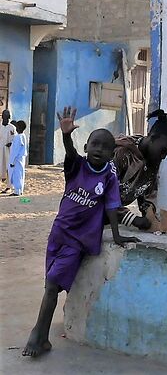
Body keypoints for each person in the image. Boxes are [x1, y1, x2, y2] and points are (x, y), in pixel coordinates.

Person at [23, 106, 139, 358]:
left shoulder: (109, 176)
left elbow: (111, 206)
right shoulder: (77, 166)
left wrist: (117, 236)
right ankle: (43, 339)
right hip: (59, 232)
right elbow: (70, 152)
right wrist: (66, 135)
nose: (99, 150)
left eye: (105, 147)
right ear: (86, 147)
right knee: (49, 284)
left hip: (78, 240)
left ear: (112, 154)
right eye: (94, 144)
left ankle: (36, 334)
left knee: (52, 285)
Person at [113, 109, 167, 230]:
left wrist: (149, 215)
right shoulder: (121, 154)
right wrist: (131, 219)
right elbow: (100, 195)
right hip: (88, 212)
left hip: (110, 218)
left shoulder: (152, 161)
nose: (163, 156)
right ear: (152, 137)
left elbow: (148, 192)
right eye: (163, 151)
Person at [8, 120, 28, 196]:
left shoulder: (18, 137)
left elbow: (15, 151)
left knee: (17, 174)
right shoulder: (22, 136)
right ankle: (20, 190)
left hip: (16, 159)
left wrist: (12, 161)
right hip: (20, 158)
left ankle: (17, 191)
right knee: (20, 174)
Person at [0, 109, 16, 194]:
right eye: (4, 115)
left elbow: (15, 139)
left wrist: (11, 143)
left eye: (7, 116)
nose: (6, 117)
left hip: (9, 151)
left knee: (9, 168)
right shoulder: (0, 126)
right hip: (0, 149)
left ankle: (9, 186)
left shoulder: (12, 127)